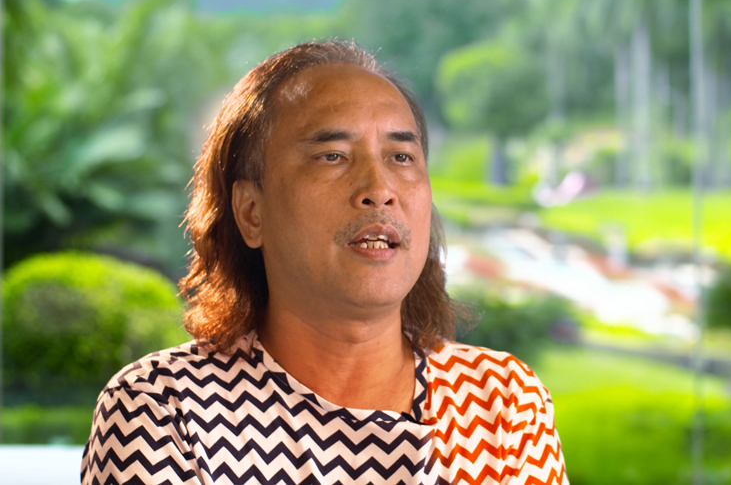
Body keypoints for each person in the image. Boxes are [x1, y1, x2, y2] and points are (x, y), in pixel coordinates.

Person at [81, 40, 568, 485]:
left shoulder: (503, 402)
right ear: (251, 212)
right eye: (332, 156)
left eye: (401, 157)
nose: (379, 189)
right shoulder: (162, 409)